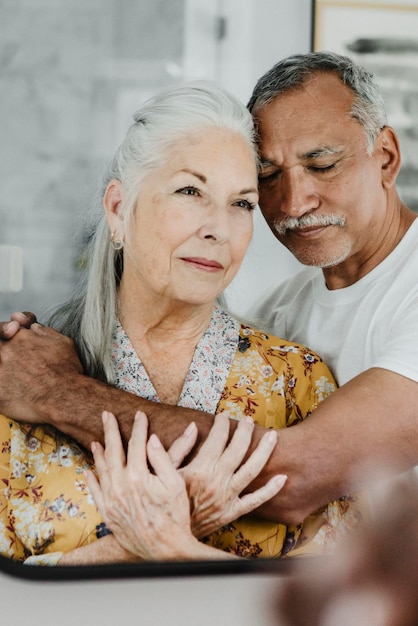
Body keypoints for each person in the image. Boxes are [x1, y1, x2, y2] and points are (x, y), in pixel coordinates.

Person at [1, 51, 417, 525]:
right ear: (118, 209)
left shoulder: (295, 375)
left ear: (385, 157)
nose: (295, 201)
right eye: (267, 178)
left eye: (321, 164)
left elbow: (293, 477)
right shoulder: (282, 313)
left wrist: (56, 391)